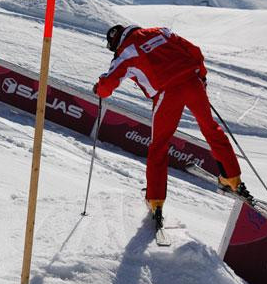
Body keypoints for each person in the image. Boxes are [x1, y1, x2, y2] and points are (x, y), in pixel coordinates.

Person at [93, 25, 242, 217]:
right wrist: (201, 76)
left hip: (168, 93)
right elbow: (194, 50)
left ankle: (155, 199)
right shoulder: (161, 31)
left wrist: (99, 89)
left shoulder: (125, 53)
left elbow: (108, 83)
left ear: (114, 43)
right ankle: (231, 177)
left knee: (159, 145)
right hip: (192, 81)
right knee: (210, 128)